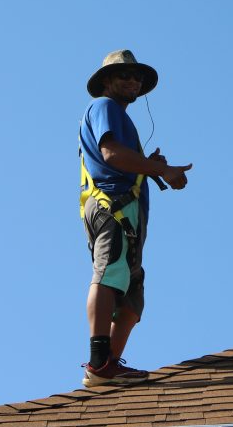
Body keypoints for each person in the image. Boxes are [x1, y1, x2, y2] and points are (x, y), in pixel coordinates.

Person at [78, 49, 192, 386]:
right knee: (110, 272)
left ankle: (109, 367)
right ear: (107, 81)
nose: (133, 81)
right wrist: (161, 170)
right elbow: (111, 154)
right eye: (124, 75)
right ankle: (99, 363)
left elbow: (120, 159)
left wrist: (149, 166)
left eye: (137, 77)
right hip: (113, 207)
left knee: (131, 294)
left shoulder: (115, 116)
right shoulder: (105, 107)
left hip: (124, 210)